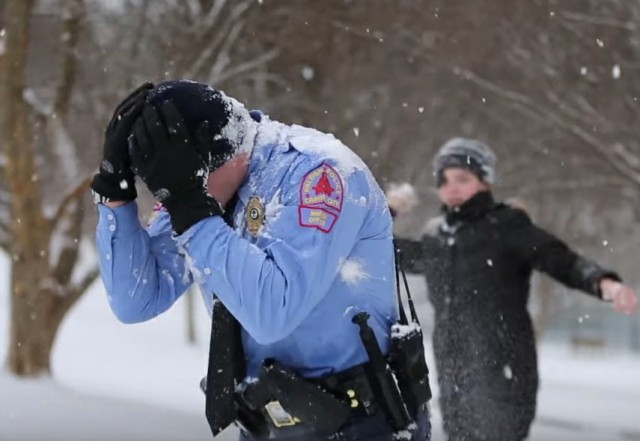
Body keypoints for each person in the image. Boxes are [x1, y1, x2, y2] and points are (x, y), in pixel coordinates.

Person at [90, 80, 431, 441]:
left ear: (224, 155)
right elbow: (137, 299)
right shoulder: (196, 193)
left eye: (170, 184)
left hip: (360, 422)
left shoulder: (319, 174)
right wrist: (115, 195)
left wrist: (190, 205)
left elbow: (273, 312)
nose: (166, 198)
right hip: (266, 421)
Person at [387, 138, 638, 441]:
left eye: (463, 179)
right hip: (453, 368)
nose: (451, 186)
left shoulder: (507, 226)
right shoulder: (437, 238)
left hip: (504, 366)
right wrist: (386, 212)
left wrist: (601, 282)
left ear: (484, 182)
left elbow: (559, 258)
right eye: (444, 179)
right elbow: (385, 252)